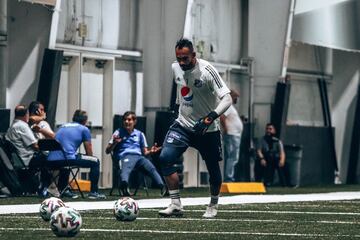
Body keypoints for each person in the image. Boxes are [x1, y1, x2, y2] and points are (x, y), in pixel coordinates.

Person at [158, 38, 232, 218]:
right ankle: (175, 204)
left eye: (185, 58)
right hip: (182, 125)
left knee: (213, 169)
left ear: (194, 55)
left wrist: (210, 117)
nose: (181, 62)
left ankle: (213, 205)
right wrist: (177, 108)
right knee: (165, 158)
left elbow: (227, 98)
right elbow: (182, 90)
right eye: (179, 58)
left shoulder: (207, 71)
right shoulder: (175, 67)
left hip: (207, 129)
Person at [47, 109, 106, 199]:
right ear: (85, 121)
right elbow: (89, 151)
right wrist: (88, 158)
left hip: (51, 160)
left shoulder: (63, 126)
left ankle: (64, 190)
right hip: (67, 159)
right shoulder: (84, 129)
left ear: (73, 118)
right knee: (95, 161)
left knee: (67, 159)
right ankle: (93, 192)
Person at [105, 111, 166, 196]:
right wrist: (115, 143)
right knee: (126, 168)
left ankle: (163, 187)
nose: (127, 122)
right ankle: (124, 186)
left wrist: (151, 152)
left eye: (129, 120)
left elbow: (145, 152)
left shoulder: (140, 134)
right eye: (125, 120)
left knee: (151, 167)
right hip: (125, 156)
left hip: (139, 158)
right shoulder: (118, 132)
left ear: (134, 122)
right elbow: (107, 151)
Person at [5, 105, 46, 194]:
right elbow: (35, 145)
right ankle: (45, 187)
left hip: (18, 159)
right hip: (28, 158)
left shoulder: (12, 126)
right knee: (51, 159)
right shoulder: (22, 126)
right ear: (26, 115)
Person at [28, 101, 59, 197]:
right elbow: (31, 118)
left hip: (40, 153)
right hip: (37, 154)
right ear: (37, 111)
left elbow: (53, 136)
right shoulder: (35, 122)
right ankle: (50, 187)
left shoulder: (40, 123)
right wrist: (42, 118)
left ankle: (51, 186)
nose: (44, 112)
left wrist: (41, 129)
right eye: (42, 110)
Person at [220, 90, 243, 182]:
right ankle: (229, 177)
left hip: (235, 134)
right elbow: (222, 116)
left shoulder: (230, 107)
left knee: (233, 157)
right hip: (231, 134)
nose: (237, 99)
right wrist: (225, 128)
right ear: (232, 96)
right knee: (232, 156)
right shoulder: (228, 105)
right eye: (236, 97)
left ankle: (229, 176)